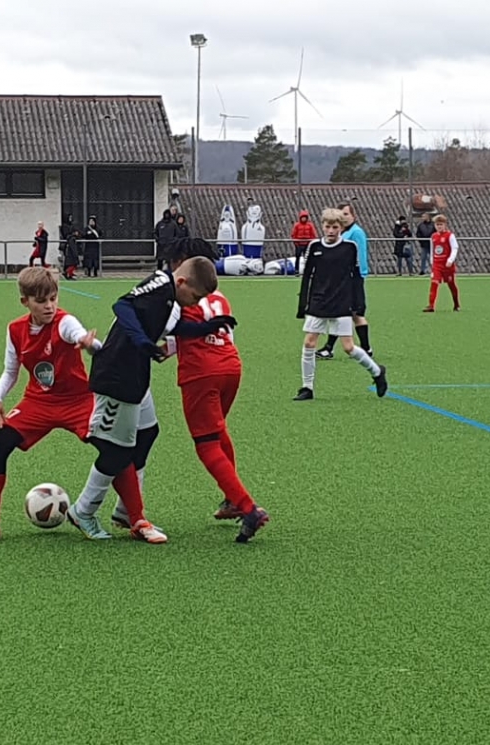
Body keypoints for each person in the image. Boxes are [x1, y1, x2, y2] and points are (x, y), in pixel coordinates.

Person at [67, 239, 231, 543]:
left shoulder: (173, 300)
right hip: (116, 375)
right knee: (115, 451)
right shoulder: (160, 284)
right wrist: (141, 341)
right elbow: (122, 305)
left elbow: (175, 329)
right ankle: (83, 511)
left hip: (136, 376)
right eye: (195, 297)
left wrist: (210, 326)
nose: (195, 304)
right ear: (181, 282)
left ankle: (126, 511)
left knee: (148, 433)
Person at [0, 267, 103, 545]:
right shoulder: (15, 330)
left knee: (113, 448)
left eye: (53, 298)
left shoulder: (65, 322)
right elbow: (10, 371)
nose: (49, 306)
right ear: (25, 302)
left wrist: (88, 343)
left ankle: (137, 519)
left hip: (78, 401)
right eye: (41, 301)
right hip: (38, 402)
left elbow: (80, 336)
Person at [172, 276, 270, 542]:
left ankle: (248, 508)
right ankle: (232, 499)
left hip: (201, 371)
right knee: (217, 430)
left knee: (206, 444)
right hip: (230, 365)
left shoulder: (181, 295)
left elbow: (172, 328)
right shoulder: (218, 296)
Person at [294, 208, 389, 401]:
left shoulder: (350, 247)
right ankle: (307, 388)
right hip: (319, 302)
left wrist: (358, 304)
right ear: (322, 226)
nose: (330, 231)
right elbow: (307, 277)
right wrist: (303, 304)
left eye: (335, 227)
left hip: (341, 302)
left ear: (341, 228)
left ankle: (377, 371)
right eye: (327, 226)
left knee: (348, 347)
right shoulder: (314, 246)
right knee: (309, 342)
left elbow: (356, 277)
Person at [316, 202, 373, 359]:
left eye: (346, 214)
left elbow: (360, 255)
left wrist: (358, 274)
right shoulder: (342, 233)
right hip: (341, 280)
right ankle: (329, 348)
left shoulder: (356, 232)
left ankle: (366, 348)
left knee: (356, 313)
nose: (343, 217)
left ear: (353, 216)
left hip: (353, 279)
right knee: (340, 312)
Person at [424, 214, 461, 313]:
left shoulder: (450, 235)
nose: (439, 226)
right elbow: (432, 250)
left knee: (451, 284)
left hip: (447, 265)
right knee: (434, 283)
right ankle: (431, 306)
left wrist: (450, 260)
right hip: (437, 264)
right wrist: (432, 261)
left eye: (441, 224)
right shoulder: (433, 236)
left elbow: (455, 248)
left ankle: (456, 304)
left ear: (445, 225)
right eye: (437, 224)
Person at [59, 214, 80, 280]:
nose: (70, 219)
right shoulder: (65, 227)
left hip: (70, 246)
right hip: (68, 247)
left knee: (72, 262)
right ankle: (67, 272)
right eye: (69, 217)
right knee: (72, 262)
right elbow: (66, 235)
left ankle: (69, 274)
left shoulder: (72, 226)